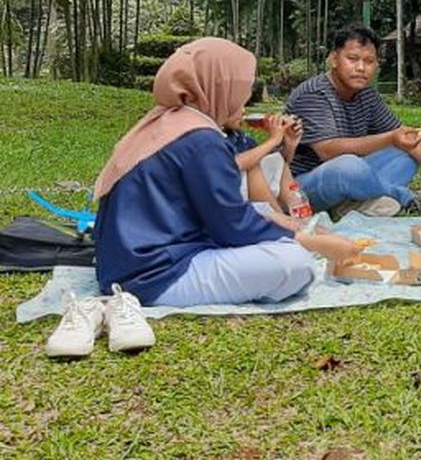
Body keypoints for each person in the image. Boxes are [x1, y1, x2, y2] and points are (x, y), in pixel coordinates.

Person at [93, 38, 361, 307]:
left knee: (272, 231)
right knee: (296, 265)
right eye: (241, 88)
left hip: (127, 266)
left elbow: (211, 209)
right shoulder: (200, 138)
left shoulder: (163, 123)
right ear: (219, 86)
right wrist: (312, 243)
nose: (244, 98)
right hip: (155, 276)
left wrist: (276, 224)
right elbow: (231, 226)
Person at [285, 25, 421, 217]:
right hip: (303, 187)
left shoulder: (367, 94)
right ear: (334, 59)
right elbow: (328, 150)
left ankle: (353, 204)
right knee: (349, 166)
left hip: (354, 174)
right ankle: (405, 197)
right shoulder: (313, 93)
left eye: (369, 61)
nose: (360, 68)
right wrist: (390, 138)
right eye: (352, 59)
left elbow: (403, 136)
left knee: (407, 154)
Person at [225, 113, 303, 212]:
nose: (243, 111)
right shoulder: (213, 135)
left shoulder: (238, 135)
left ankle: (303, 218)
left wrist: (290, 145)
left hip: (253, 189)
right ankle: (284, 220)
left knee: (275, 161)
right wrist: (273, 140)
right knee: (253, 166)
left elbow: (278, 164)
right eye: (238, 106)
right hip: (231, 191)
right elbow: (232, 164)